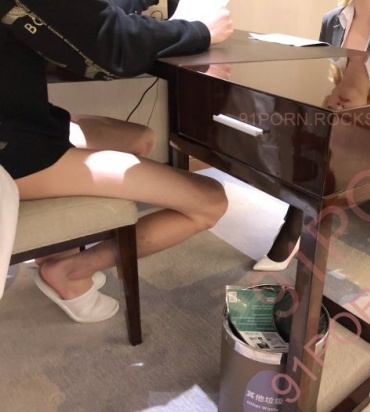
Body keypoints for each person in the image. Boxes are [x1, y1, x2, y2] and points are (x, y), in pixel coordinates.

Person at [0, 0, 233, 322]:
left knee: (139, 138)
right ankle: (69, 271)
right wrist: (200, 31)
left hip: (24, 122)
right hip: (15, 152)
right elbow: (111, 47)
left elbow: (81, 14)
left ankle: (57, 246)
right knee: (210, 201)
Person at [253, 0, 370, 271]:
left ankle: (291, 233)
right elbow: (320, 69)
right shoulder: (331, 19)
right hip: (333, 111)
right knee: (299, 131)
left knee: (321, 147)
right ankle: (296, 223)